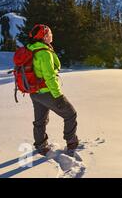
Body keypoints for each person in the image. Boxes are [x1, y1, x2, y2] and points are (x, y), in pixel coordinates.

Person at [27, 24, 78, 155]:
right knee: (70, 113)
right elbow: (49, 77)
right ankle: (71, 142)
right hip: (46, 92)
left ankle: (40, 145)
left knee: (40, 120)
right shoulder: (44, 53)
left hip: (34, 92)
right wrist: (58, 96)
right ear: (44, 37)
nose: (51, 35)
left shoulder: (32, 49)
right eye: (49, 34)